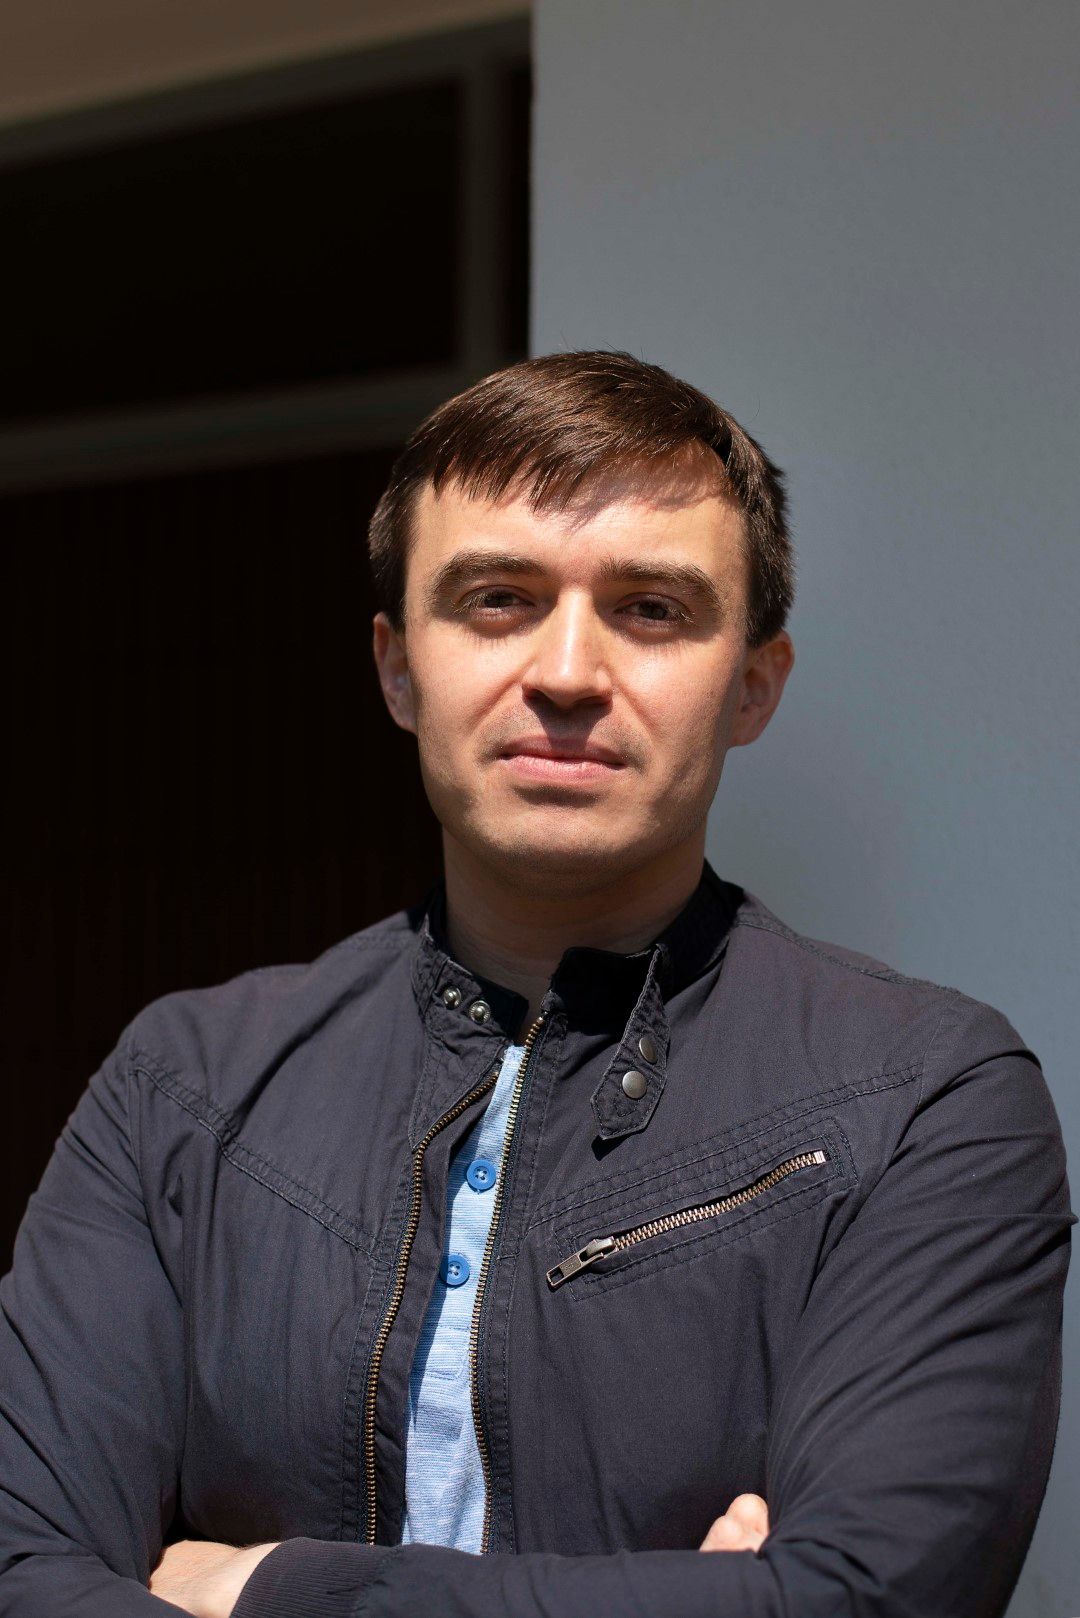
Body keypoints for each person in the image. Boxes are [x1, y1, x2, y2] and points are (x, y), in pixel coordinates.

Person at [0, 351, 1072, 1618]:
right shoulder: (184, 1091)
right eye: (499, 599)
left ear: (754, 686)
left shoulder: (926, 1103)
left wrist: (270, 1587)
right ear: (399, 669)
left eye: (651, 608)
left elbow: (863, 1599)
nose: (567, 672)